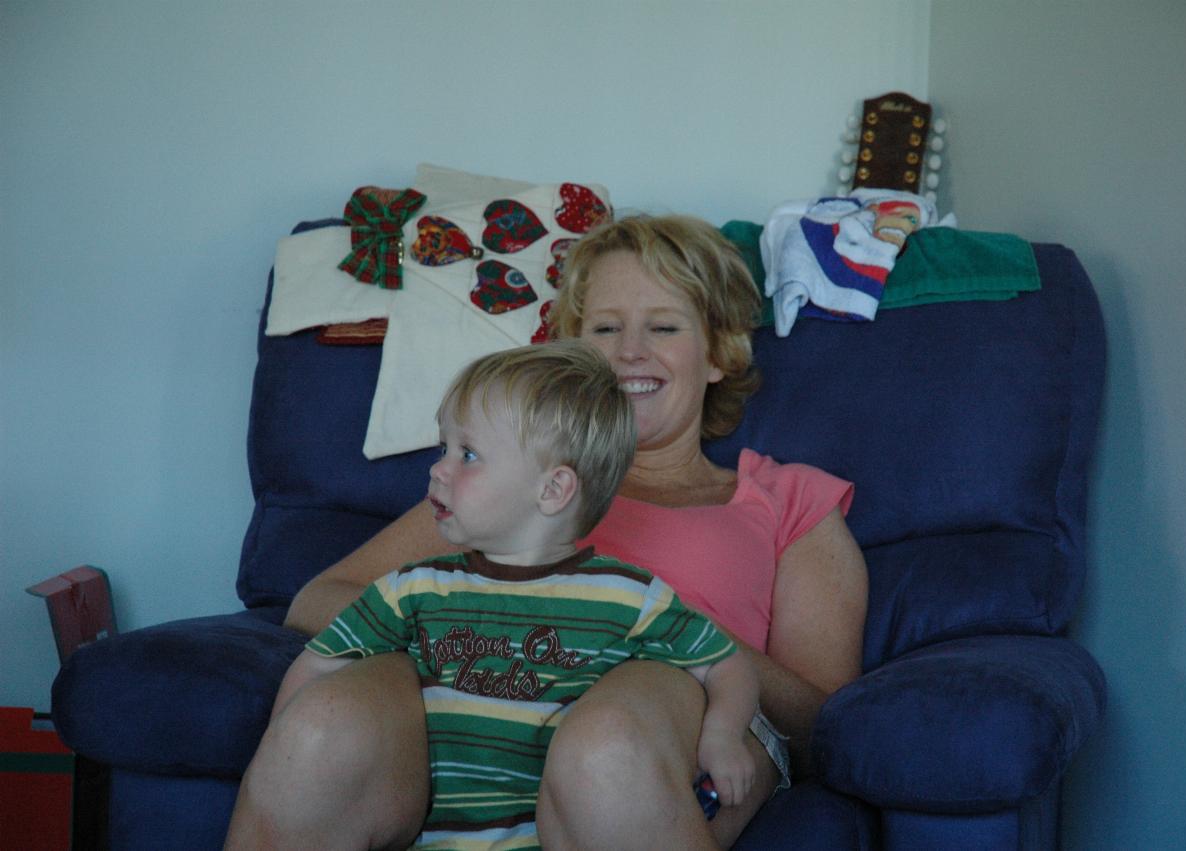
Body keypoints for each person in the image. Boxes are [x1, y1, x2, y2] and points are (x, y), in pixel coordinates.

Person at [226, 214, 869, 851]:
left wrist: (649, 620)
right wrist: (488, 630)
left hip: (677, 718)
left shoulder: (790, 500)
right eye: (605, 327)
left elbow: (829, 727)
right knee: (320, 726)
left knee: (606, 744)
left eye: (664, 326)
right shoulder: (508, 485)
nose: (629, 351)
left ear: (719, 353)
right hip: (477, 723)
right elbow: (318, 600)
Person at [248, 340, 758, 850]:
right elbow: (318, 665)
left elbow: (725, 666)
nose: (437, 469)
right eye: (442, 448)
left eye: (467, 454)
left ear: (553, 490)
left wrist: (722, 736)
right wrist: (280, 752)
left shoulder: (627, 598)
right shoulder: (414, 589)